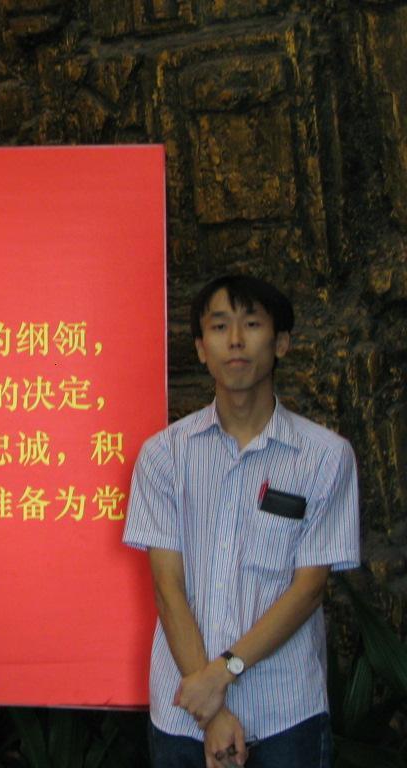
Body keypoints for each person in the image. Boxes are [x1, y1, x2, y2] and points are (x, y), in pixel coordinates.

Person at [123, 275, 359, 768]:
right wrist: (211, 711)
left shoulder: (325, 457)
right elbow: (168, 589)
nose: (235, 340)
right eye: (219, 326)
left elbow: (308, 589)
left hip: (285, 714)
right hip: (184, 714)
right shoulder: (163, 457)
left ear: (281, 342)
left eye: (251, 325)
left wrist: (222, 674)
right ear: (200, 348)